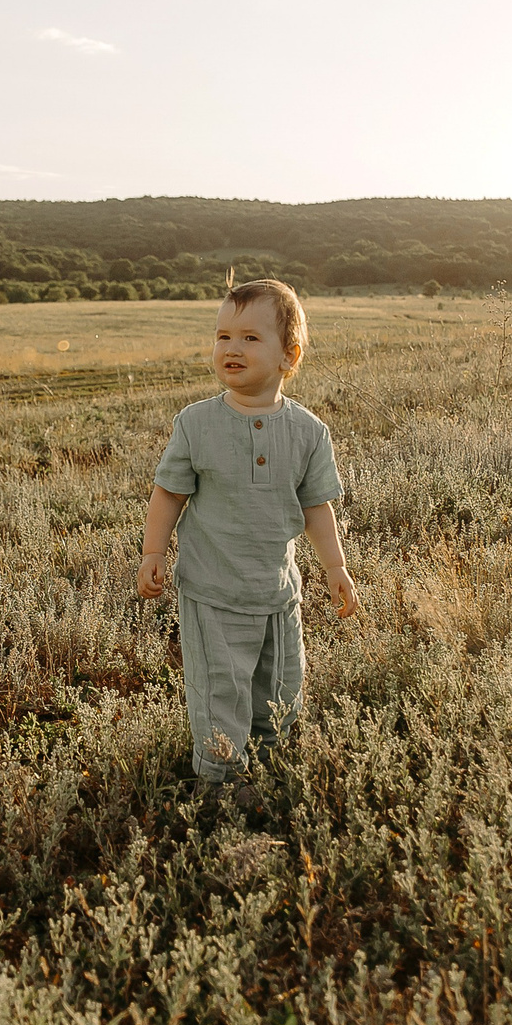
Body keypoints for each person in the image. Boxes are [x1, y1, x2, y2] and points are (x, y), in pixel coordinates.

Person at [136, 281, 359, 792]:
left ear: (289, 355)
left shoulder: (308, 432)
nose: (231, 349)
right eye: (222, 336)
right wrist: (154, 550)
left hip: (278, 592)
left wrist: (335, 567)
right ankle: (220, 780)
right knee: (220, 688)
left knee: (279, 683)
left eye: (250, 338)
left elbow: (315, 507)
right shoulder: (196, 424)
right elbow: (169, 492)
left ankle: (269, 760)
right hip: (212, 590)